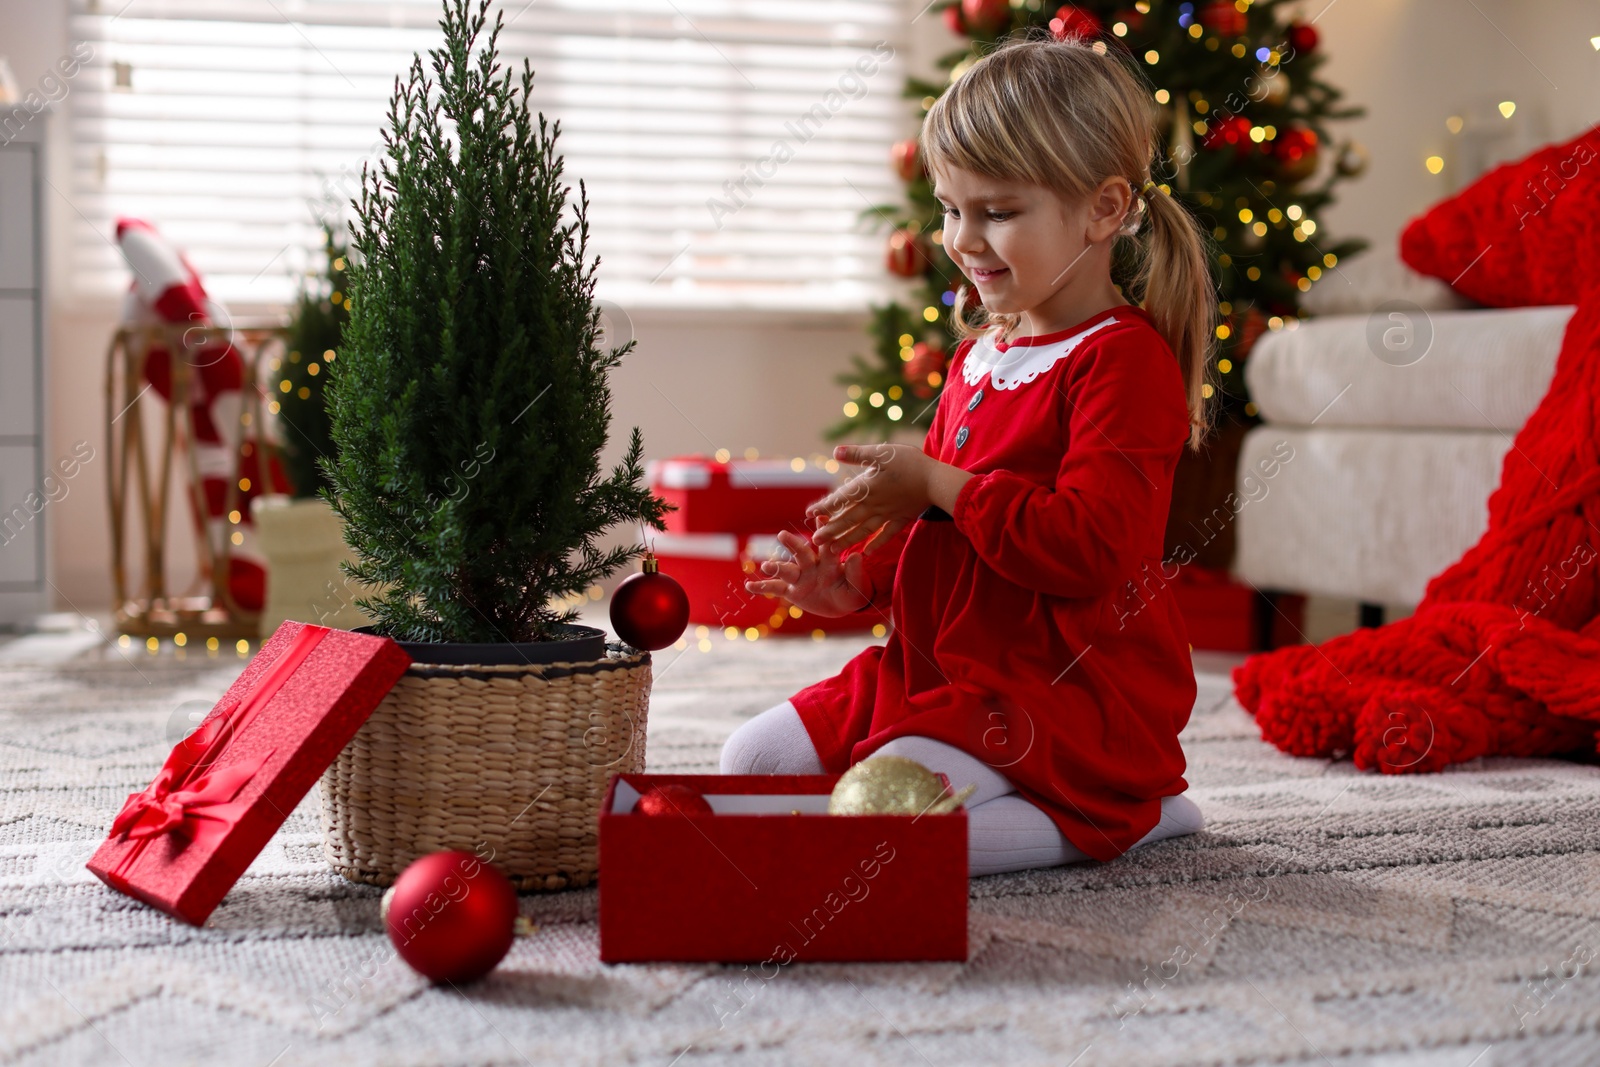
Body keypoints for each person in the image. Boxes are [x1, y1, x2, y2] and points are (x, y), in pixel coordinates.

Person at [721, 31, 1216, 876]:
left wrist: (937, 479)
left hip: (1059, 690)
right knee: (749, 761)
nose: (963, 239)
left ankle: (1133, 809)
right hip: (936, 671)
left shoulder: (1125, 362)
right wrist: (858, 579)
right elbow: (942, 527)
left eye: (999, 212)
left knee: (881, 821)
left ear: (1103, 209)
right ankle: (1004, 790)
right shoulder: (979, 354)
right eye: (952, 209)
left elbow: (1090, 547)